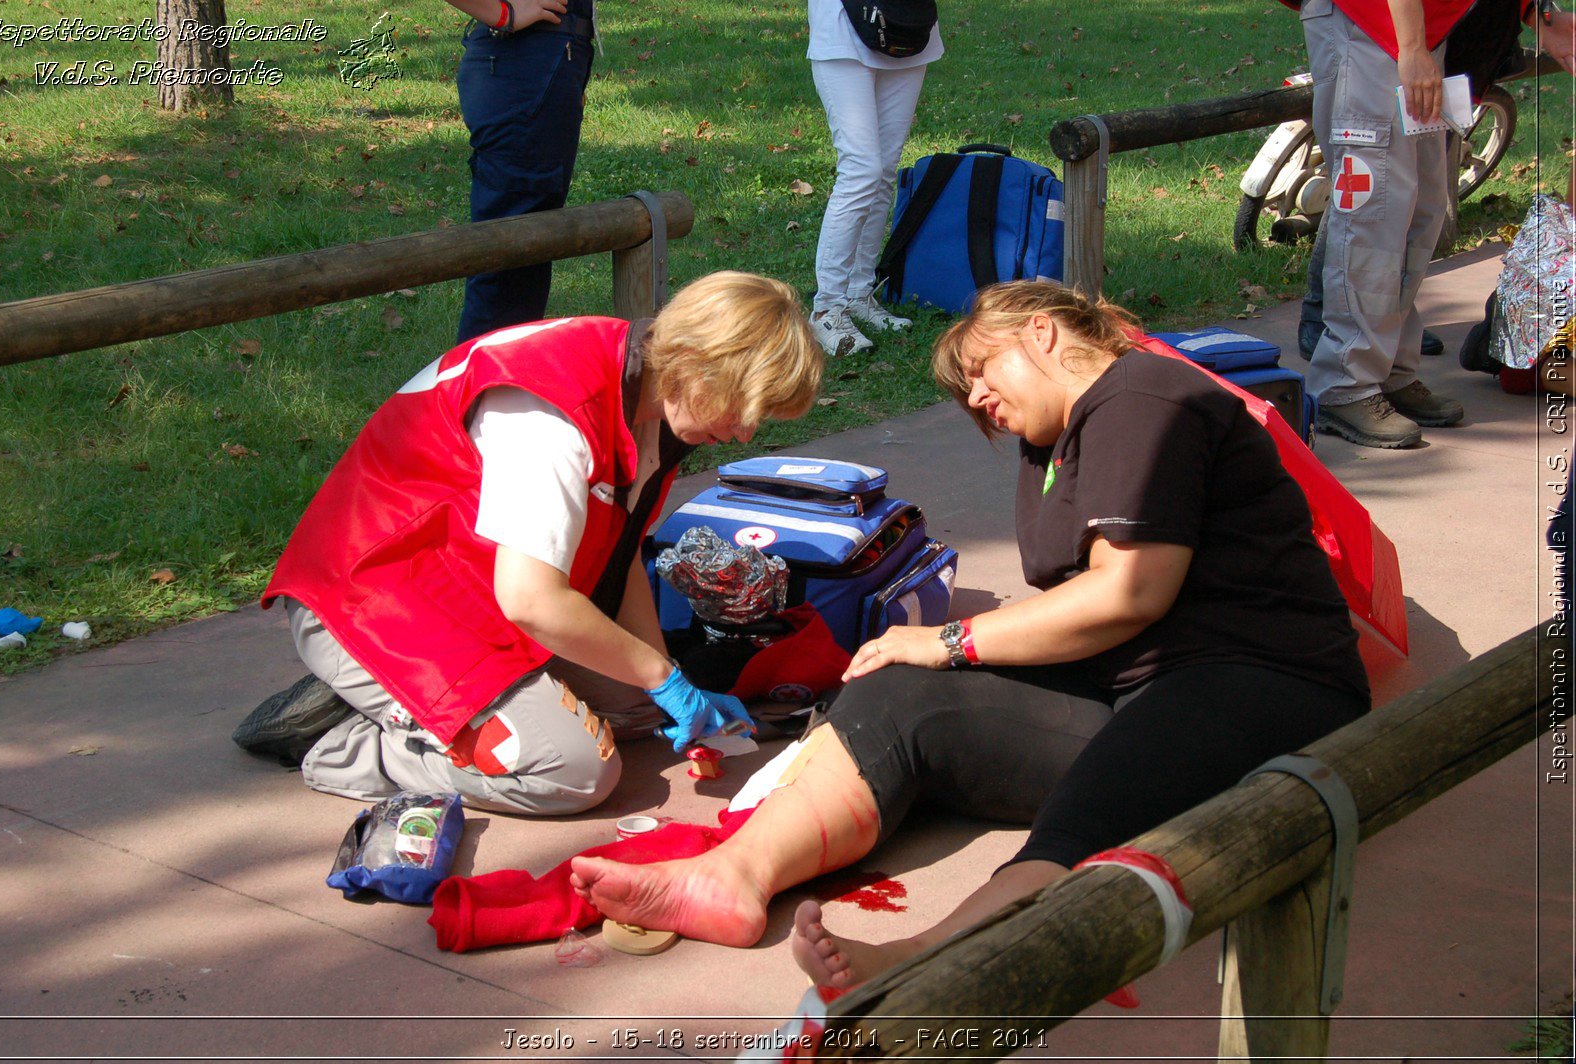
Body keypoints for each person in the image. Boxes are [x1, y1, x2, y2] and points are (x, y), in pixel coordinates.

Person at [569, 281, 1371, 990]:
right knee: (894, 691)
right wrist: (935, 658)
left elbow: (1128, 592)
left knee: (1096, 808)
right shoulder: (1056, 439)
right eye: (965, 393)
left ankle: (931, 963)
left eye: (982, 371)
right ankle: (731, 875)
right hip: (1131, 680)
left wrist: (953, 641)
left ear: (1044, 333)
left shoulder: (1143, 396)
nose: (976, 399)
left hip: (1262, 682)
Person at [238, 273, 825, 815]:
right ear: (698, 362)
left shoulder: (652, 390)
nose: (745, 432)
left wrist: (667, 680)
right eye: (745, 409)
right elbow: (532, 601)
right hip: (371, 603)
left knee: (637, 706)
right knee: (573, 770)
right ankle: (346, 744)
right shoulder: (552, 408)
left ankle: (416, 706)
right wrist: (660, 675)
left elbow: (619, 565)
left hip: (473, 590)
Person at [1294, 0, 1480, 448]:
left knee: (1421, 206)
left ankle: (1389, 369)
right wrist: (1411, 46)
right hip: (1371, 26)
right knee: (1372, 212)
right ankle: (1345, 381)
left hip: (1413, 30)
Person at [443, 0, 595, 342]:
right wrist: (503, 12)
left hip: (541, 60)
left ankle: (499, 387)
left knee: (524, 259)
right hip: (524, 64)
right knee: (509, 260)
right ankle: (479, 391)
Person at [804, 0, 943, 357]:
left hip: (906, 26)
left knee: (882, 172)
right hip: (842, 30)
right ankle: (827, 309)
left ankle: (858, 293)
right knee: (861, 170)